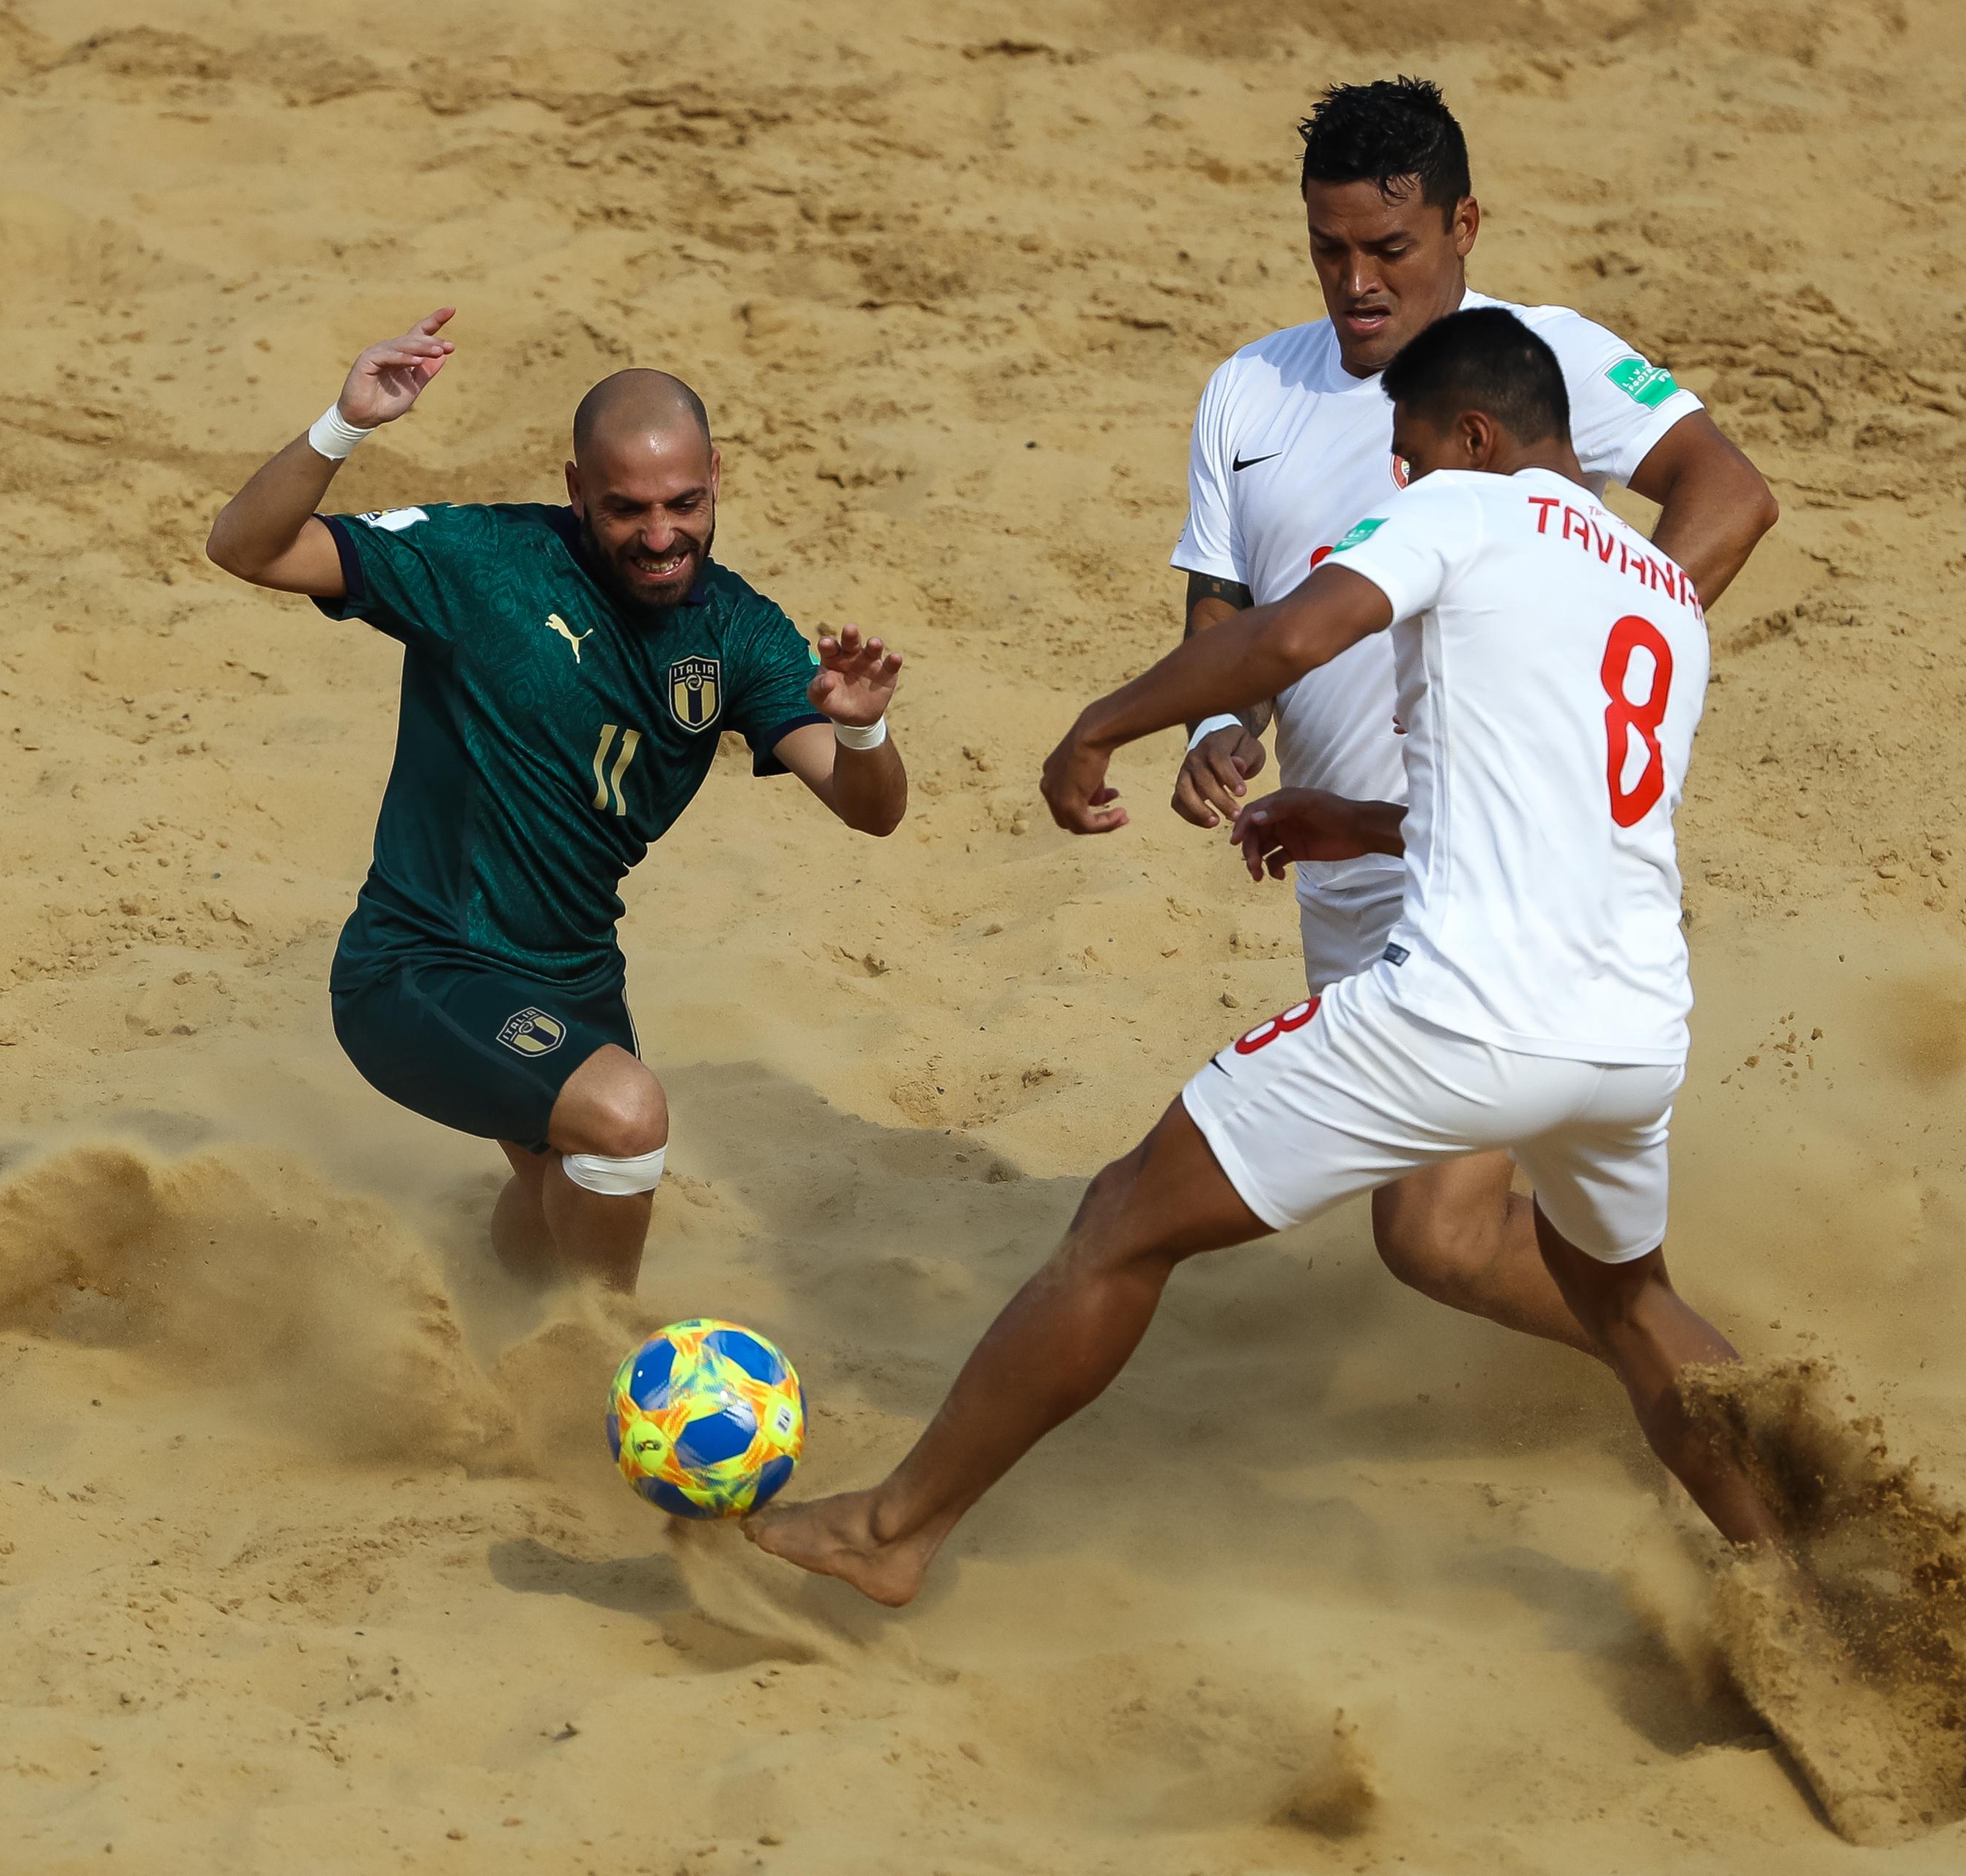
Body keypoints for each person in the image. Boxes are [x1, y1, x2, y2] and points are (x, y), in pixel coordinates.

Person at [750, 306, 1778, 1604]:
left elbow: (1289, 635)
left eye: (1409, 453)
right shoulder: (1661, 594)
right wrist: (1358, 820)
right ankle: (1810, 1563)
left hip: (1464, 1016)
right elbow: (1566, 811)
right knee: (1635, 1311)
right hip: (1630, 1038)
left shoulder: (1470, 509)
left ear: (1475, 434)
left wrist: (1099, 726)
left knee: (1124, 1220)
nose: (1397, 480)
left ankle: (892, 1532)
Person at [1167, 76, 1779, 1362]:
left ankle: (1732, 1398)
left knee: (1427, 1228)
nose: (1357, 282)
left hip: (1504, 858)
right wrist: (1217, 726)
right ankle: (1698, 1381)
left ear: (1463, 227)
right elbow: (1232, 612)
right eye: (1328, 250)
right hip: (1353, 863)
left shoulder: (1535, 355)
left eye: (1389, 248)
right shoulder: (1247, 393)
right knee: (1438, 1241)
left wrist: (1597, 651)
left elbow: (1727, 490)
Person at [204, 308, 909, 1291]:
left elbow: (868, 809)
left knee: (553, 1226)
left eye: (686, 504)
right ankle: (604, 1375)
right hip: (423, 968)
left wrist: (863, 728)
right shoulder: (480, 563)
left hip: (574, 980)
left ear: (716, 482)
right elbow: (245, 547)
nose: (662, 536)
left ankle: (499, 1330)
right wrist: (345, 425)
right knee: (627, 1115)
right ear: (578, 490)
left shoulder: (738, 634)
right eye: (628, 509)